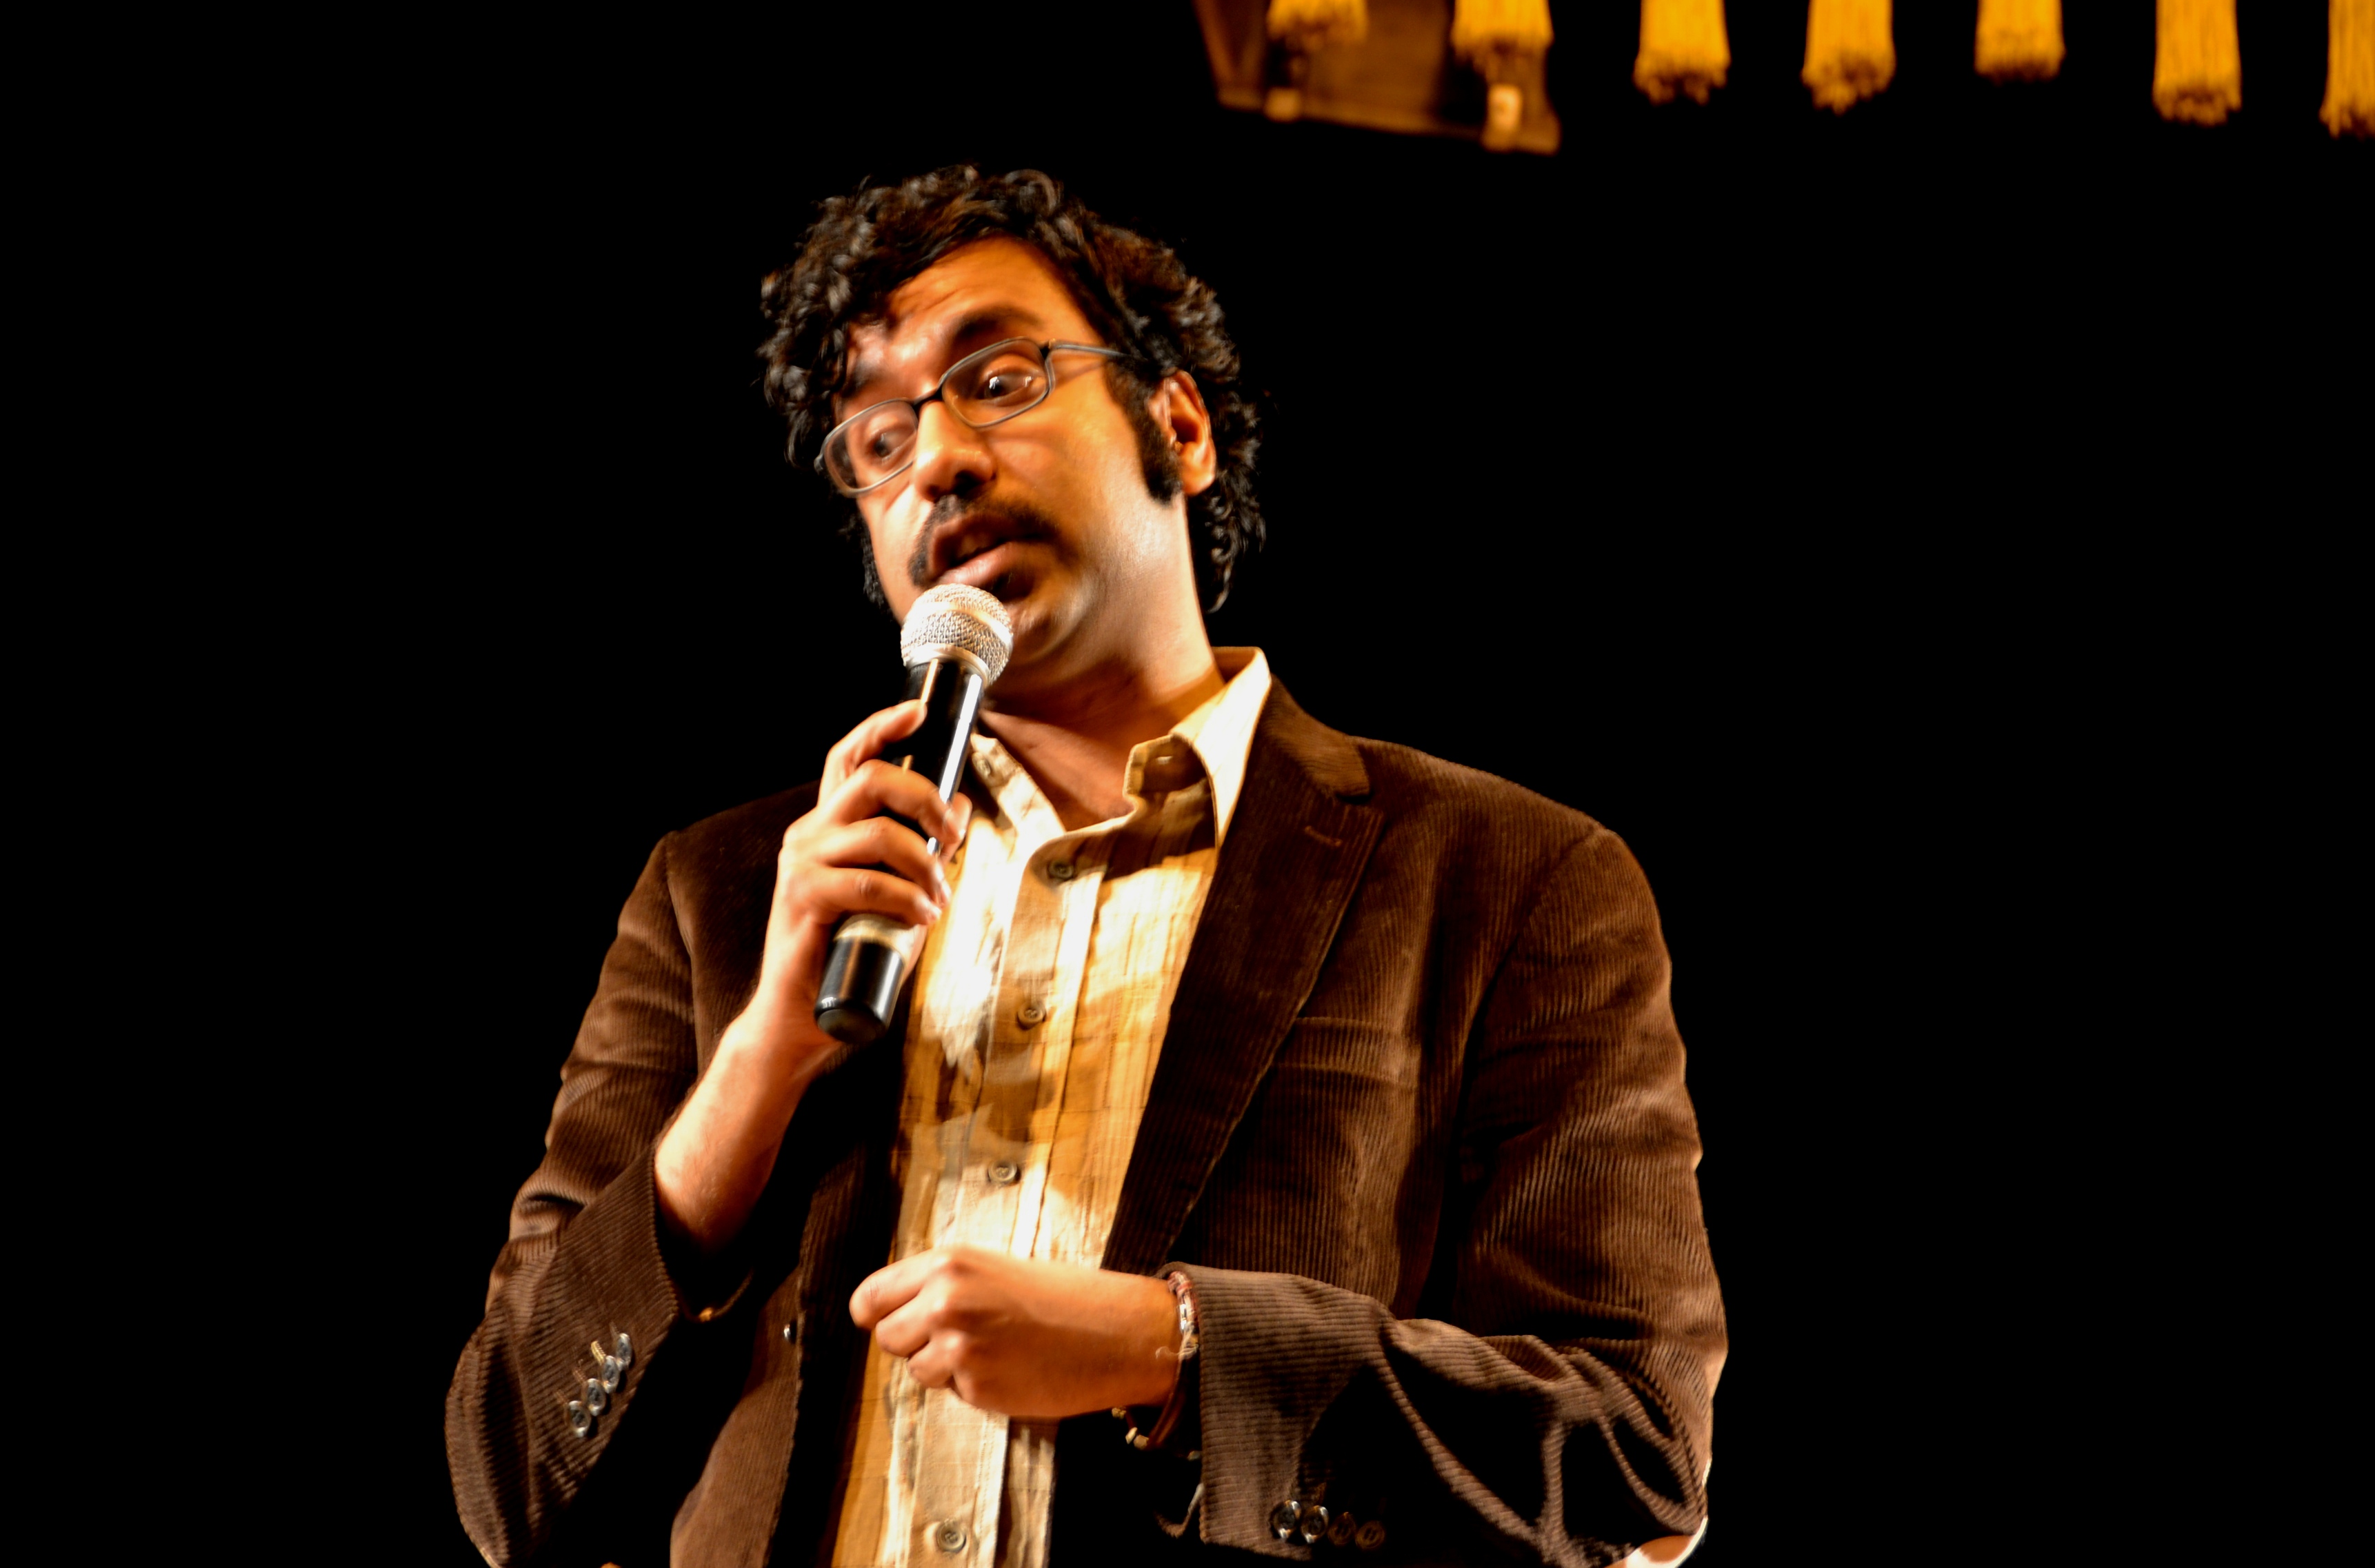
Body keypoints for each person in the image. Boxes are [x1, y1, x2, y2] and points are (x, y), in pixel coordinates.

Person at [446, 167, 1725, 1568]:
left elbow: (1631, 1453)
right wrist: (755, 1068)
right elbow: (510, 1477)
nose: (930, 458)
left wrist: (1180, 1352)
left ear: (1177, 425)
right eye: (873, 439)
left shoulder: (1503, 878)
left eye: (995, 377)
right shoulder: (719, 895)